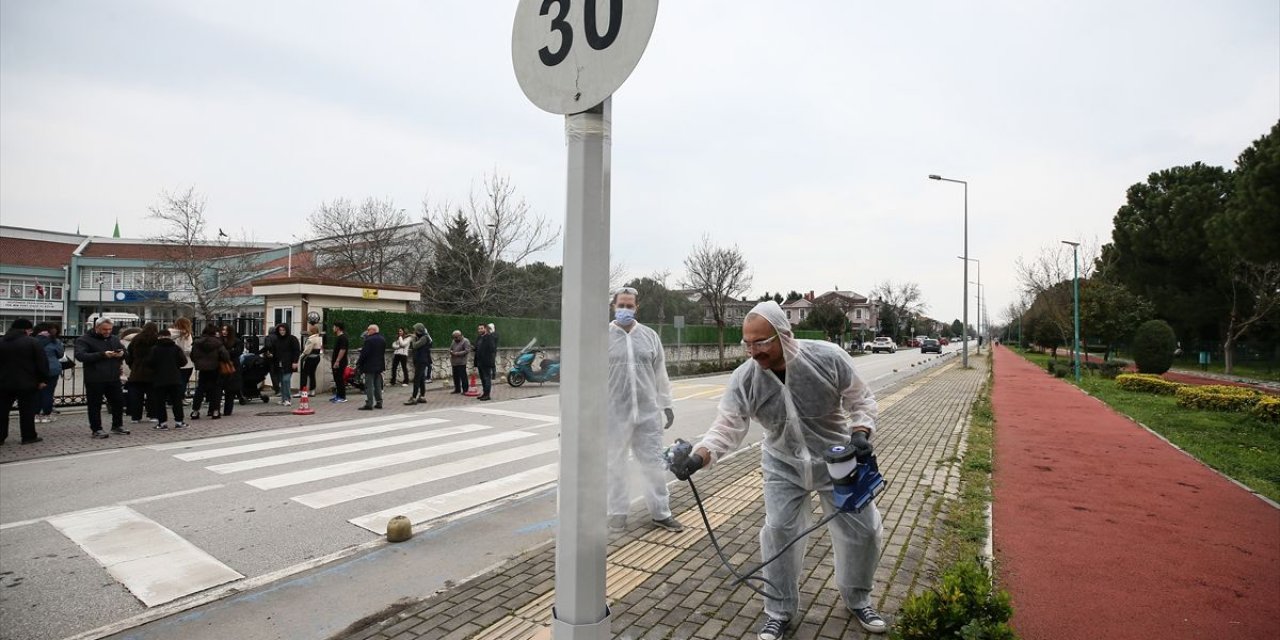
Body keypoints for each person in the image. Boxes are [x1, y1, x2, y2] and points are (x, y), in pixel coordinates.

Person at [671, 300, 886, 638]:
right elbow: (728, 425)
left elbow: (860, 400)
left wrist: (860, 433)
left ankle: (858, 599)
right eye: (747, 343)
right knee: (778, 533)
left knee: (865, 531)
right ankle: (779, 610)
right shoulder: (746, 378)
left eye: (761, 342)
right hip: (782, 463)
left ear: (785, 335)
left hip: (836, 460)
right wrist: (700, 456)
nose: (753, 351)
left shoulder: (827, 358)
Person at [605, 287, 683, 533]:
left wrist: (666, 404)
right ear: (613, 306)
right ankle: (617, 513)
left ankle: (661, 513)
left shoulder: (649, 336)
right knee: (614, 464)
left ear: (636, 308)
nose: (625, 310)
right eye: (621, 305)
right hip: (614, 414)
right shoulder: (601, 337)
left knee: (653, 464)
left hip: (648, 414)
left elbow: (661, 374)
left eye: (629, 306)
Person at [75, 318, 129, 438]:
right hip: (95, 378)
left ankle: (117, 425)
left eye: (110, 329)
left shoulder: (114, 338)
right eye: (104, 329)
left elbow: (125, 352)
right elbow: (80, 356)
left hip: (113, 377)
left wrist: (122, 354)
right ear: (97, 327)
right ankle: (96, 429)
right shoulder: (83, 339)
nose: (108, 332)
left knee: (118, 402)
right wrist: (102, 354)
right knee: (95, 405)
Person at [1, 318, 49, 445]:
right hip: (27, 383)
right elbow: (42, 363)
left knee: (2, 410)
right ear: (27, 329)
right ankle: (28, 436)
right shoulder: (32, 342)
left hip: (3, 383)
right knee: (27, 411)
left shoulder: (1, 341)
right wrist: (43, 379)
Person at [149, 329, 188, 430]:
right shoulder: (176, 348)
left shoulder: (154, 349)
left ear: (159, 337)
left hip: (159, 379)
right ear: (169, 336)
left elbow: (149, 363)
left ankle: (162, 423)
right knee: (177, 401)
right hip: (175, 378)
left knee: (160, 402)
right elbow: (183, 362)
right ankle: (179, 422)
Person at [124, 323, 161, 424]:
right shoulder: (157, 340)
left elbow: (129, 355)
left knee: (136, 395)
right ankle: (153, 415)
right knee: (153, 395)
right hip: (153, 371)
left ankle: (135, 417)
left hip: (137, 371)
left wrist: (133, 365)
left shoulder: (136, 339)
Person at [190, 326, 229, 419]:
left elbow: (193, 356)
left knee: (200, 389)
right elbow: (225, 356)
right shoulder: (218, 342)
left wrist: (199, 363)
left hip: (202, 369)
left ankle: (195, 411)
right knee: (216, 390)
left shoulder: (197, 342)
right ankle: (215, 411)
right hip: (215, 368)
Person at [34, 324, 63, 425]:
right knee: (48, 392)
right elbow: (60, 354)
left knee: (36, 392)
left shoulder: (32, 340)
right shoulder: (55, 341)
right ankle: (46, 415)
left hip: (35, 370)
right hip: (52, 369)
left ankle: (36, 415)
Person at [268, 323, 301, 406]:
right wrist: (271, 355)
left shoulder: (292, 339)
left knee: (286, 380)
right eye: (280, 330)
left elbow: (296, 351)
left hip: (289, 363)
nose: (282, 332)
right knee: (282, 381)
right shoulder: (277, 340)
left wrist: (295, 362)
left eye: (283, 330)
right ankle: (283, 399)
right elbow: (274, 351)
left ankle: (287, 399)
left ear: (287, 330)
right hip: (279, 363)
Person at [357, 324, 386, 410]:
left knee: (369, 385)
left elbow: (364, 354)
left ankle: (369, 403)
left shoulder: (369, 340)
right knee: (377, 385)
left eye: (368, 330)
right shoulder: (382, 339)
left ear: (373, 330)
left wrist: (359, 363)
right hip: (379, 365)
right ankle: (379, 402)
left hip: (369, 366)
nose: (367, 331)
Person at [405, 323, 432, 405]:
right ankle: (422, 396)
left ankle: (413, 397)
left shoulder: (424, 338)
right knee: (421, 379)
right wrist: (413, 336)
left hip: (421, 361)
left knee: (417, 379)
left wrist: (413, 339)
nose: (414, 332)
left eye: (415, 330)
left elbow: (415, 346)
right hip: (419, 360)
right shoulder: (422, 337)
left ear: (418, 330)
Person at [220, 325, 245, 415]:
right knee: (219, 388)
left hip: (232, 367)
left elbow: (237, 352)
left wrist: (226, 352)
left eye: (226, 330)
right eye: (223, 330)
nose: (224, 332)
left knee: (230, 389)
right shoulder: (219, 340)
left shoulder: (236, 341)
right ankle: (215, 409)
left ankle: (228, 410)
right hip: (220, 366)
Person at [168, 317, 195, 396]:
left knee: (174, 382)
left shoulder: (171, 333)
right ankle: (179, 398)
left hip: (174, 361)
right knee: (183, 381)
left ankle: (173, 398)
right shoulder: (187, 334)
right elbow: (188, 349)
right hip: (187, 362)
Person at [329, 322, 349, 403]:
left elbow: (342, 350)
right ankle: (338, 395)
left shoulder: (343, 338)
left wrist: (337, 361)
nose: (333, 328)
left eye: (334, 327)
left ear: (337, 328)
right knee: (336, 379)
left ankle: (342, 397)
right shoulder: (339, 337)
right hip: (337, 361)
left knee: (339, 379)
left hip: (340, 362)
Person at [300, 324, 323, 394]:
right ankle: (312, 390)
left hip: (310, 358)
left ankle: (302, 390)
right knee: (312, 374)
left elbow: (307, 350)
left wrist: (301, 357)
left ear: (312, 331)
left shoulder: (311, 339)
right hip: (317, 357)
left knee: (304, 374)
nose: (308, 331)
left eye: (309, 330)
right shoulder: (319, 338)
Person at [449, 330, 471, 394]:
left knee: (463, 376)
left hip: (462, 362)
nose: (455, 339)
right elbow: (450, 348)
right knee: (455, 377)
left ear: (460, 335)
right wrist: (451, 351)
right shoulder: (453, 341)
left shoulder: (465, 341)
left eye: (456, 337)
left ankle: (465, 390)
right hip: (454, 362)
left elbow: (467, 350)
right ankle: (457, 389)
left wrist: (457, 353)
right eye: (454, 337)